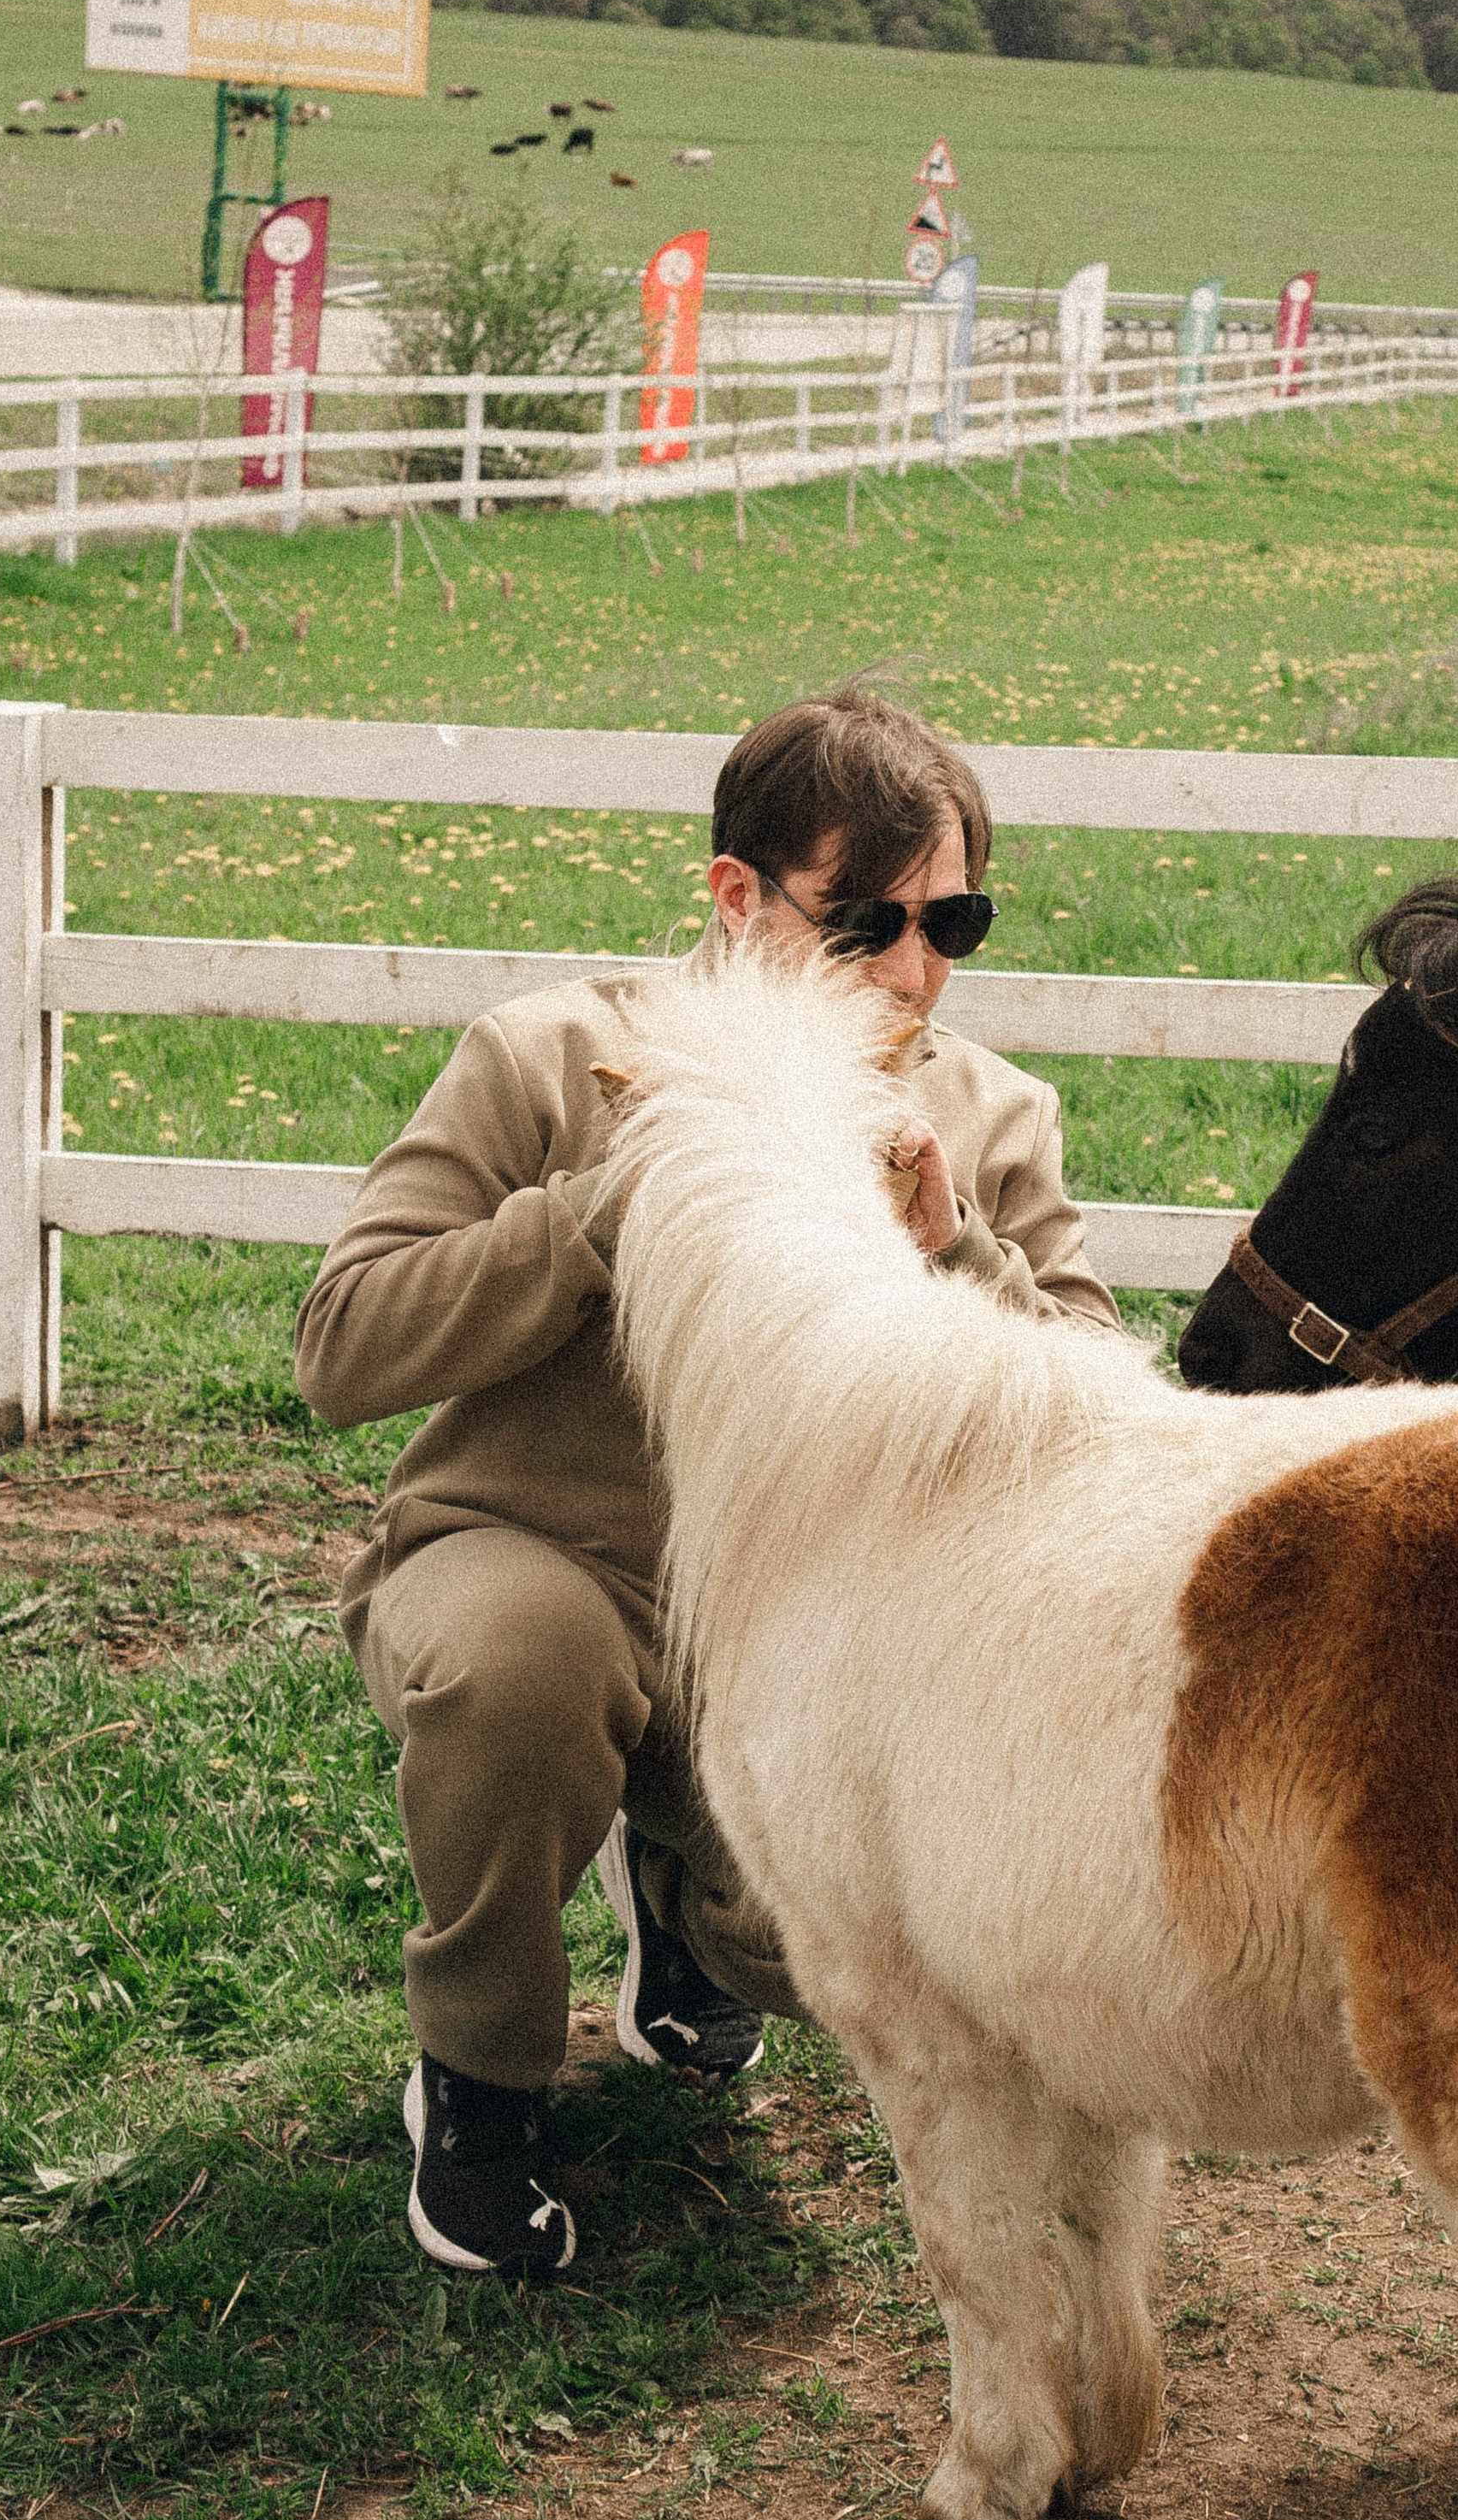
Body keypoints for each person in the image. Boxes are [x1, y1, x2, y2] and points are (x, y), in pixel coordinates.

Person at [294, 685, 1118, 2278]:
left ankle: (688, 1921)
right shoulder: (552, 1056)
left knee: (825, 1944)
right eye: (865, 919)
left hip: (813, 1639)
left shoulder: (995, 1118)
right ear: (737, 898)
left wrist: (960, 1254)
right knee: (519, 1671)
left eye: (956, 919)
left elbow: (1093, 1416)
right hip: (539, 1557)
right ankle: (478, 2076)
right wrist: (600, 1214)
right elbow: (341, 1347)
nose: (916, 968)